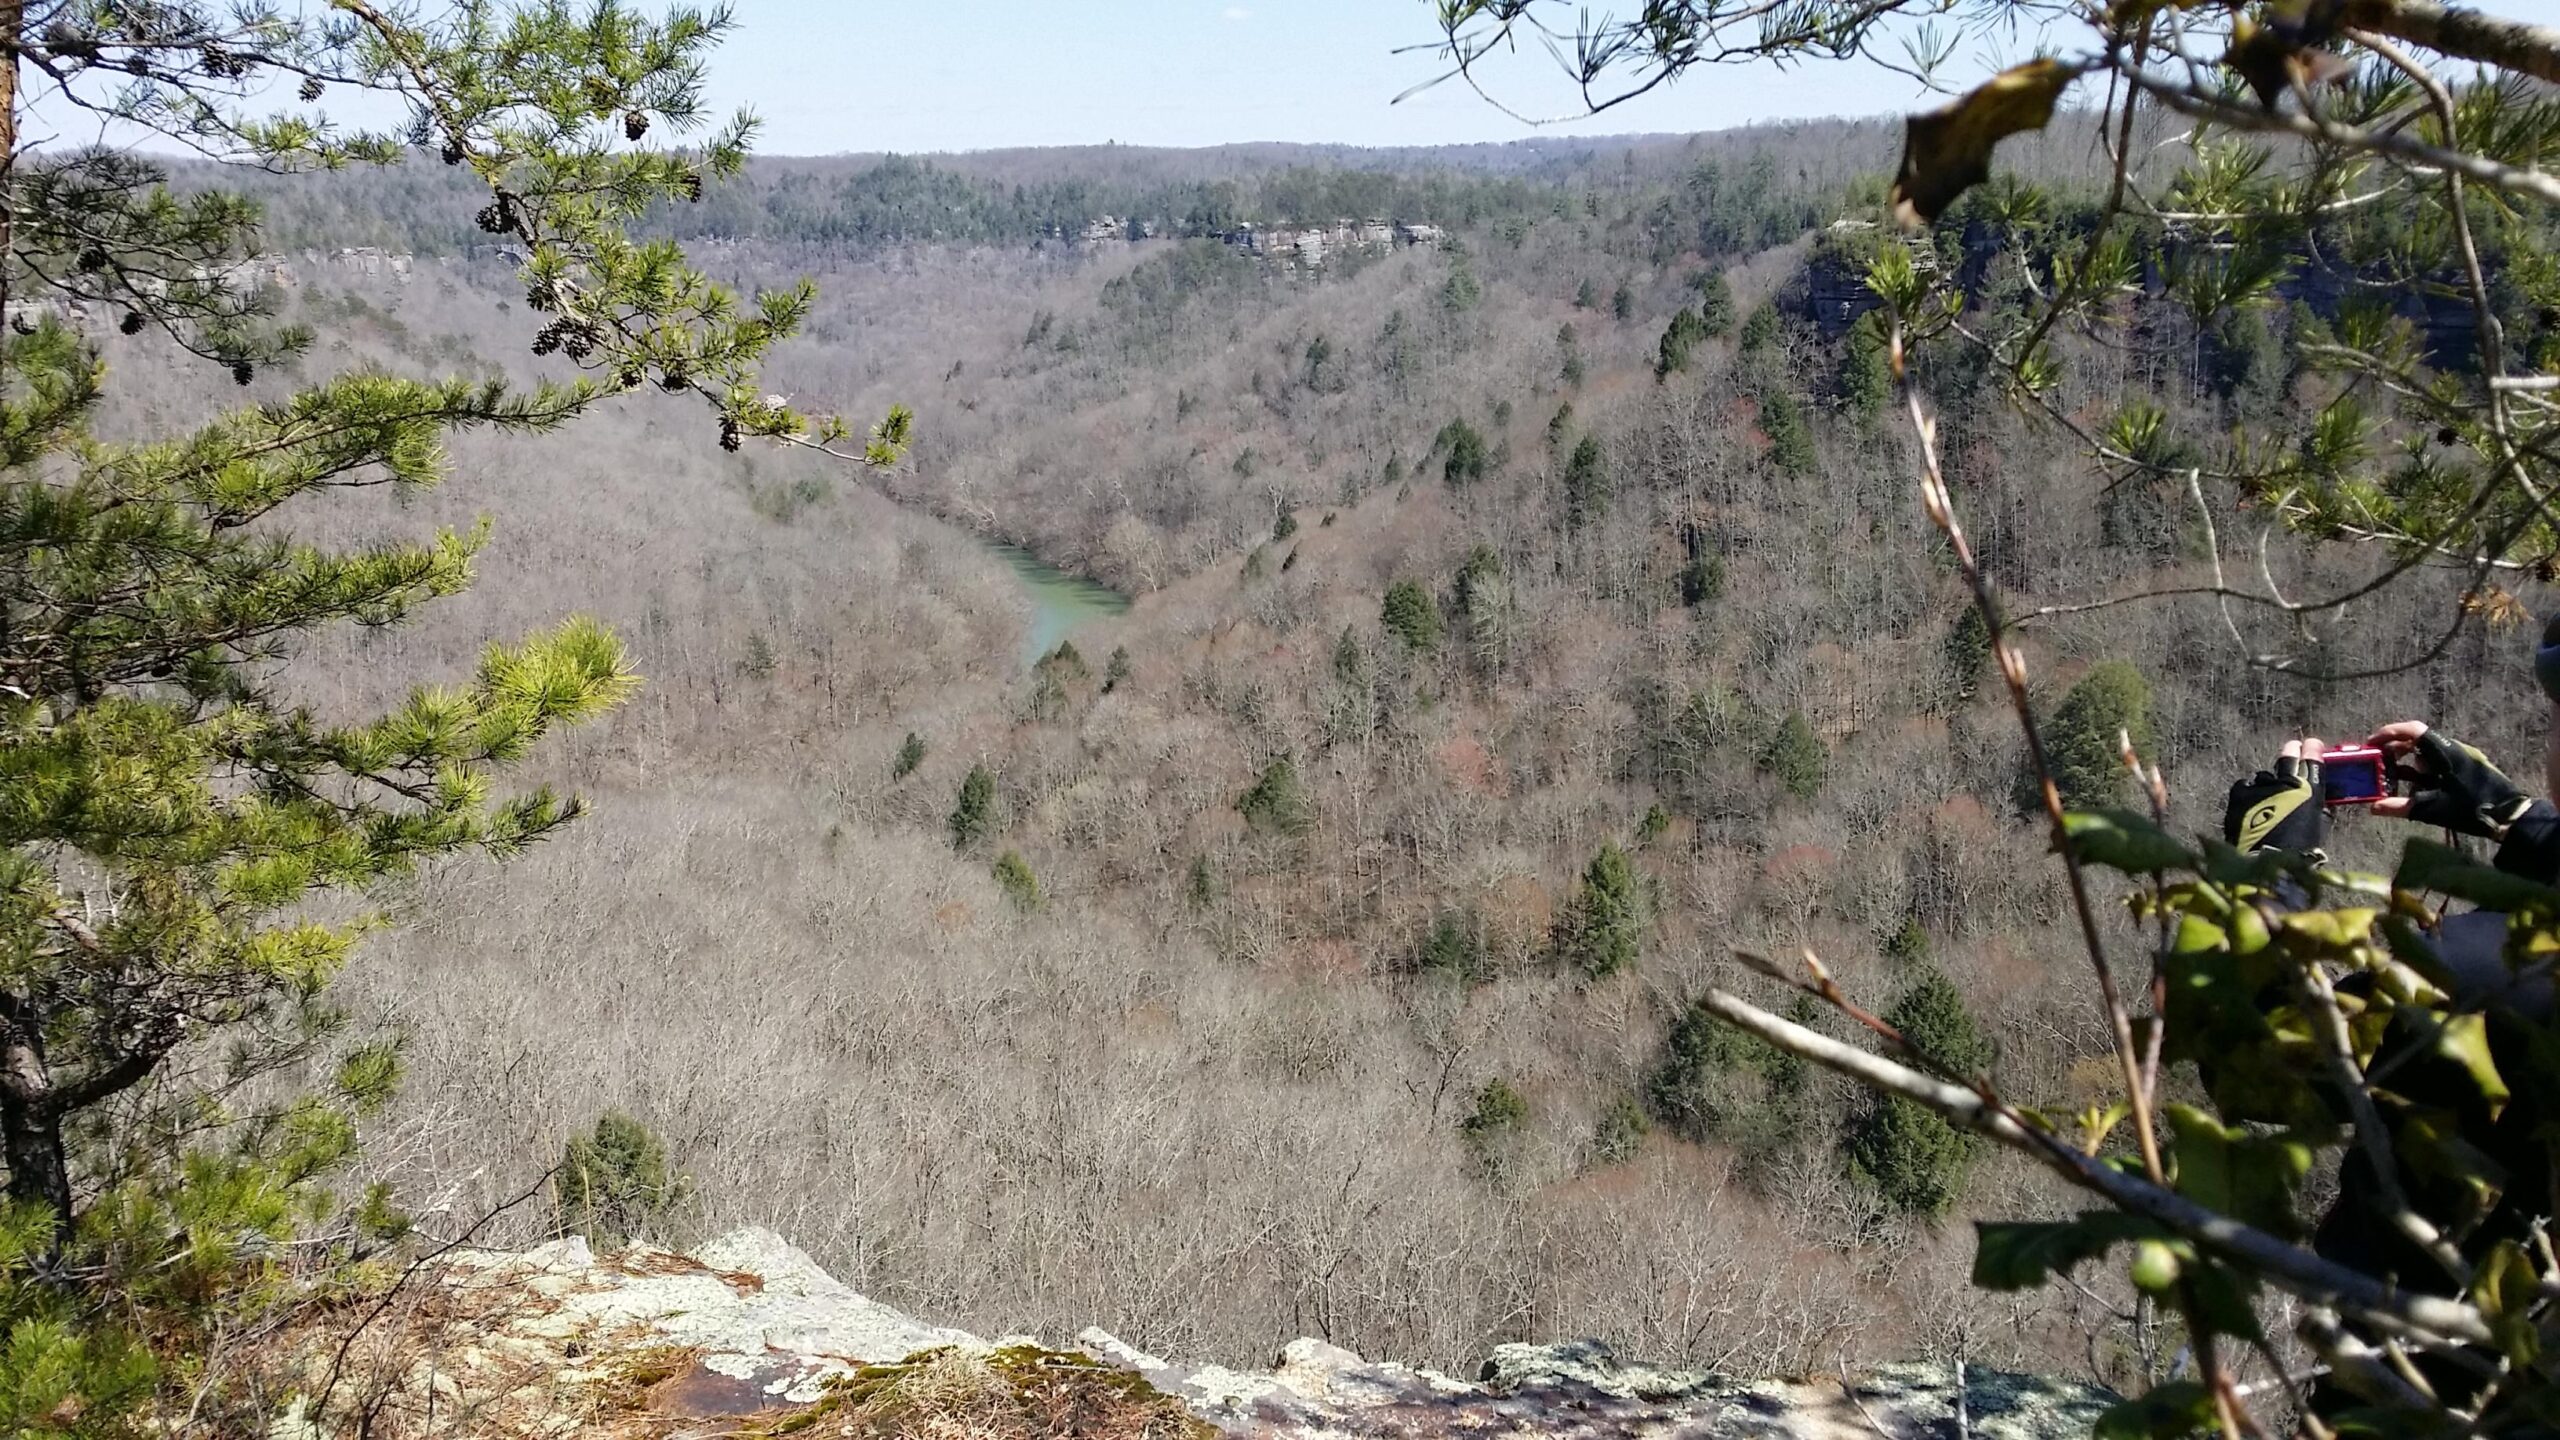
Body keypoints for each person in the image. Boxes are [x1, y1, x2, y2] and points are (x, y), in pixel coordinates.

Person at [2215, 618, 2560, 1416]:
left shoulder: (2483, 974)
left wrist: (2270, 872)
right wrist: (2513, 817)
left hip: (2433, 1392)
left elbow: (2267, 1066)